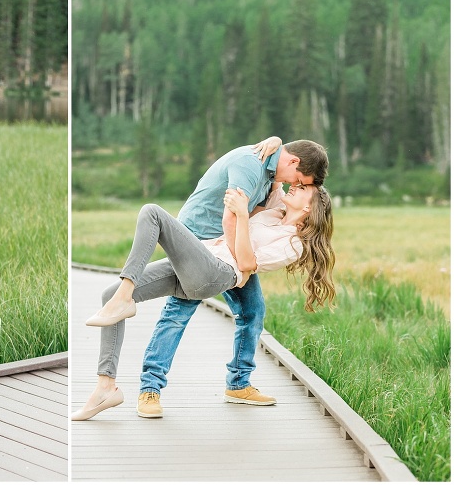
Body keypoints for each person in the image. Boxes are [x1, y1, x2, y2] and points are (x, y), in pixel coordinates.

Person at [76, 138, 329, 419]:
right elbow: (250, 211)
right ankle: (107, 386)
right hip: (200, 243)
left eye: (302, 186)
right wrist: (276, 141)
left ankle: (236, 384)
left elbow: (239, 226)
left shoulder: (290, 233)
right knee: (129, 302)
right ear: (293, 162)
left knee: (253, 310)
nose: (296, 185)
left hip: (218, 263)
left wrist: (243, 266)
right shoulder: (266, 190)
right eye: (301, 180)